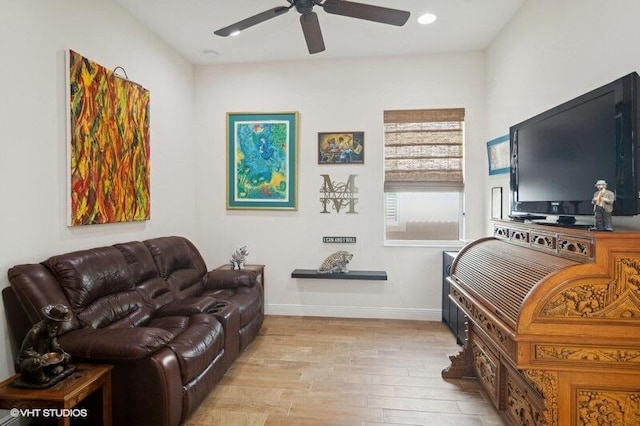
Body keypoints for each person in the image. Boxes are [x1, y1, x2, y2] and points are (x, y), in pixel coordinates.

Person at [17, 304, 73, 384]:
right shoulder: (35, 332)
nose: (56, 327)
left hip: (47, 359)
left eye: (58, 324)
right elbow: (25, 352)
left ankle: (56, 369)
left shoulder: (53, 331)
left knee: (67, 357)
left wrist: (60, 352)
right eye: (54, 324)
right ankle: (41, 376)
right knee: (35, 363)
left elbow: (54, 346)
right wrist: (40, 357)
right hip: (31, 359)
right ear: (48, 321)